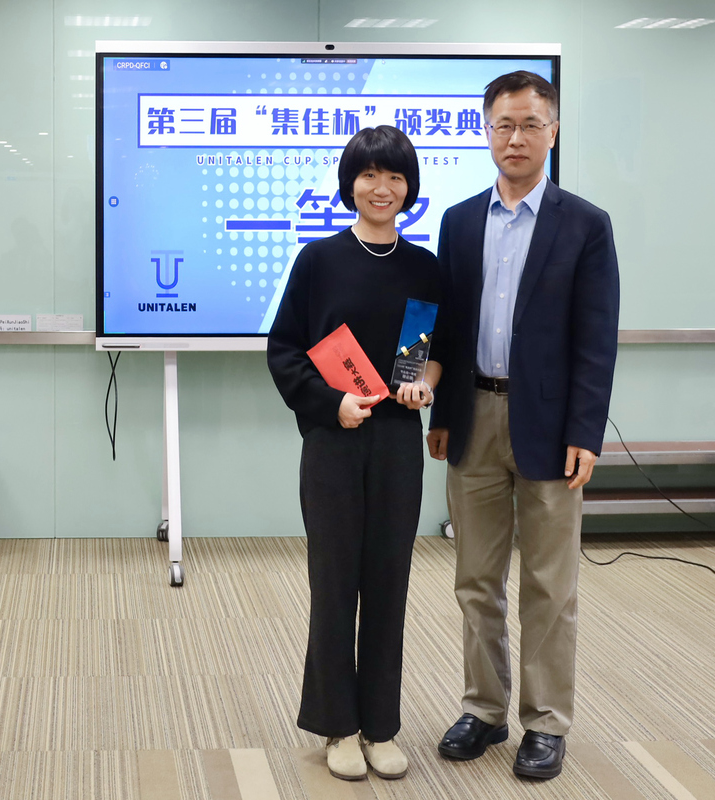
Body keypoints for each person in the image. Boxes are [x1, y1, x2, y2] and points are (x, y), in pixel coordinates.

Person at [426, 71, 620, 781]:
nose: (516, 138)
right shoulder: (458, 221)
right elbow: (444, 326)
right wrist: (439, 411)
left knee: (549, 584)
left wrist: (586, 432)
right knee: (475, 579)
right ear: (486, 131)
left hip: (552, 426)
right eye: (503, 124)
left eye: (531, 124)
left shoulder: (586, 224)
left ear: (553, 131)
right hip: (471, 417)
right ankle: (484, 709)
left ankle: (545, 722)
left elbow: (596, 340)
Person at [266, 125, 441, 782]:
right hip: (333, 440)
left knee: (389, 583)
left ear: (408, 188)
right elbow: (284, 351)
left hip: (397, 442)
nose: (381, 187)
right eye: (368, 174)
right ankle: (337, 725)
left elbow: (431, 353)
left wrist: (424, 384)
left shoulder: (424, 267)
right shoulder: (318, 260)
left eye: (394, 176)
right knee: (335, 583)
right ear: (350, 184)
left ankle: (380, 727)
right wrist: (330, 404)